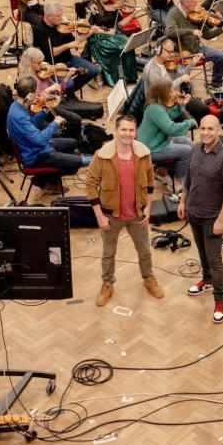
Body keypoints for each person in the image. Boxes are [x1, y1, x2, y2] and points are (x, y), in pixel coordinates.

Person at [87, 114, 163, 306]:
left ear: (135, 132)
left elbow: (151, 181)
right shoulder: (102, 156)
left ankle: (148, 278)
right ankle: (107, 283)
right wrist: (99, 217)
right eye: (123, 130)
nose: (127, 134)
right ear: (116, 131)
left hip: (137, 214)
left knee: (145, 250)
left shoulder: (143, 154)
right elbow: (90, 185)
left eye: (131, 130)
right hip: (111, 216)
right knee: (108, 252)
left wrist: (148, 207)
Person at [176, 114, 223, 324]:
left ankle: (220, 300)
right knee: (202, 252)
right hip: (193, 212)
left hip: (212, 218)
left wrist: (221, 219)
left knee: (215, 260)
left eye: (210, 129)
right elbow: (188, 179)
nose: (205, 132)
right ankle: (207, 280)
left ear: (218, 130)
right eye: (202, 128)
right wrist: (183, 202)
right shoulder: (195, 149)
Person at [5, 77, 85, 171]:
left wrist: (44, 111)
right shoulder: (19, 116)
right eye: (35, 93)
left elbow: (31, 122)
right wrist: (54, 123)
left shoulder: (16, 106)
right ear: (29, 96)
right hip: (35, 156)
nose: (38, 95)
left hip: (39, 146)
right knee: (78, 161)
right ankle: (46, 180)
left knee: (72, 143)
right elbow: (39, 140)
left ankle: (52, 175)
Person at [137, 76, 196, 190]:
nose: (173, 92)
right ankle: (178, 181)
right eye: (170, 90)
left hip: (157, 140)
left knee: (188, 142)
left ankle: (162, 170)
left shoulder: (156, 102)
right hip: (151, 148)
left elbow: (168, 117)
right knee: (187, 151)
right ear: (162, 92)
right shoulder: (155, 108)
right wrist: (189, 123)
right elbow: (171, 128)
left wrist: (183, 104)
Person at [33, 3, 102, 92]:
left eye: (61, 15)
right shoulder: (39, 31)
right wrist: (66, 45)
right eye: (58, 16)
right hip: (53, 66)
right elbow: (51, 53)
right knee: (69, 84)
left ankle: (69, 91)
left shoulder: (63, 26)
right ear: (48, 16)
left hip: (69, 59)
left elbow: (75, 42)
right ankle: (66, 89)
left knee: (93, 70)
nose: (61, 18)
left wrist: (89, 33)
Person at [164, 0, 223, 87]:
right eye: (194, 2)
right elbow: (169, 31)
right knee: (182, 81)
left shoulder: (196, 15)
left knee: (220, 56)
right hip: (181, 52)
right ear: (185, 3)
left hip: (197, 49)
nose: (197, 5)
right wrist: (191, 31)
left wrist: (222, 29)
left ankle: (216, 84)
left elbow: (207, 35)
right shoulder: (173, 13)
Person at [84, 0, 136, 86]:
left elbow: (119, 24)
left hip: (113, 33)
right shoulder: (93, 7)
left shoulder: (113, 6)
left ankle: (129, 76)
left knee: (129, 45)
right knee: (119, 48)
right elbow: (89, 28)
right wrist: (105, 32)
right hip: (98, 36)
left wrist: (133, 15)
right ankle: (118, 78)